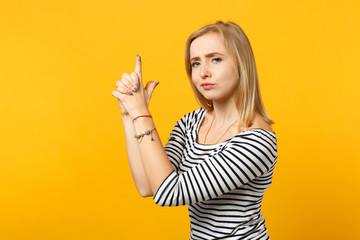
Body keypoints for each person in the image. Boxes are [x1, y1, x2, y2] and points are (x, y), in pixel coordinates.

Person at [111, 21, 278, 240]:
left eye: (215, 59)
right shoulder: (191, 123)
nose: (203, 73)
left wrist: (142, 114)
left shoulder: (257, 140)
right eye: (196, 63)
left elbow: (169, 192)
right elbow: (147, 185)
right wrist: (129, 114)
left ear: (241, 64)